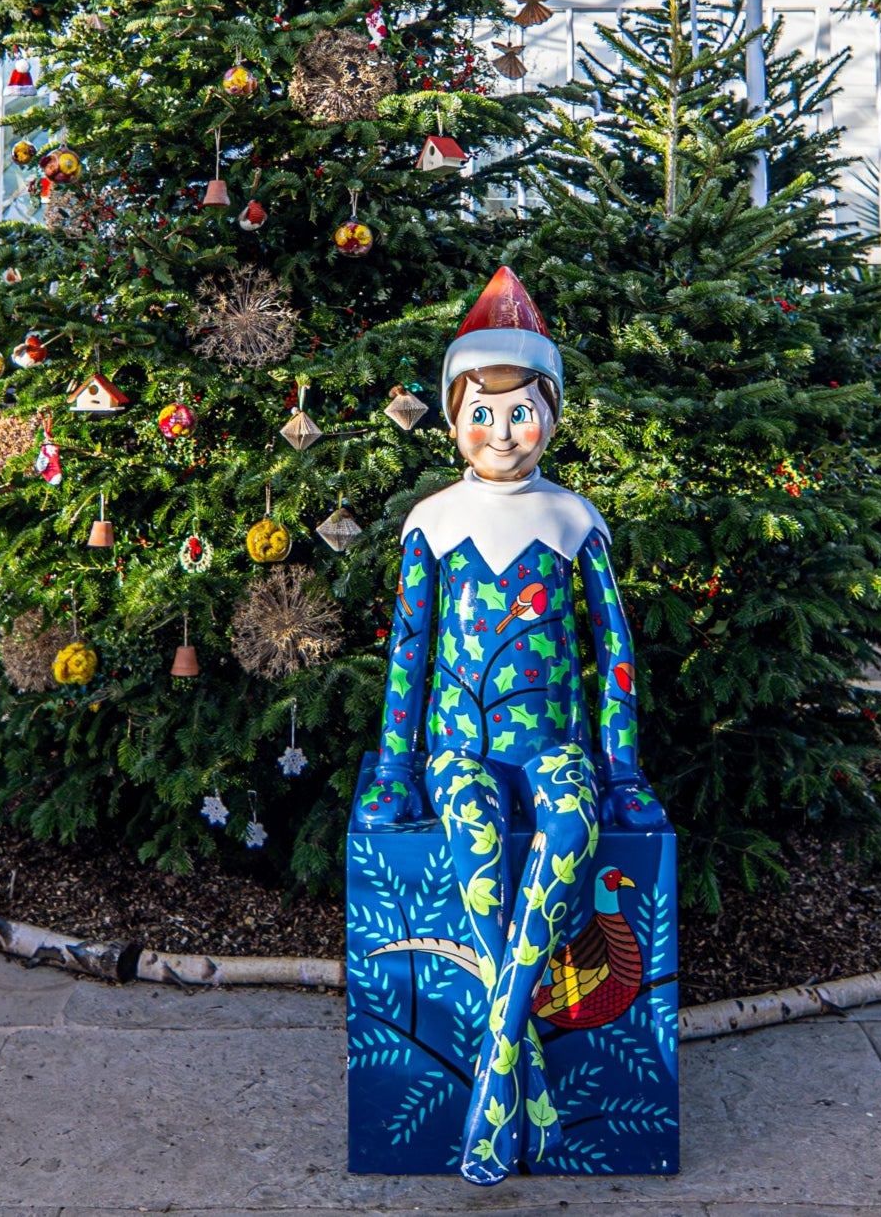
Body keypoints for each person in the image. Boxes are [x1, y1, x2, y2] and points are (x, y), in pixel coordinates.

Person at [352, 264, 670, 1185]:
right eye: (480, 413)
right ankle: (514, 1061)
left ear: (553, 416)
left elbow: (614, 655)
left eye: (521, 410)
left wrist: (620, 768)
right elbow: (409, 653)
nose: (501, 431)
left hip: (556, 746)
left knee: (569, 826)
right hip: (456, 749)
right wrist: (398, 765)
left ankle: (495, 1058)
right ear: (453, 419)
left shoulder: (574, 519)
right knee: (476, 834)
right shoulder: (434, 521)